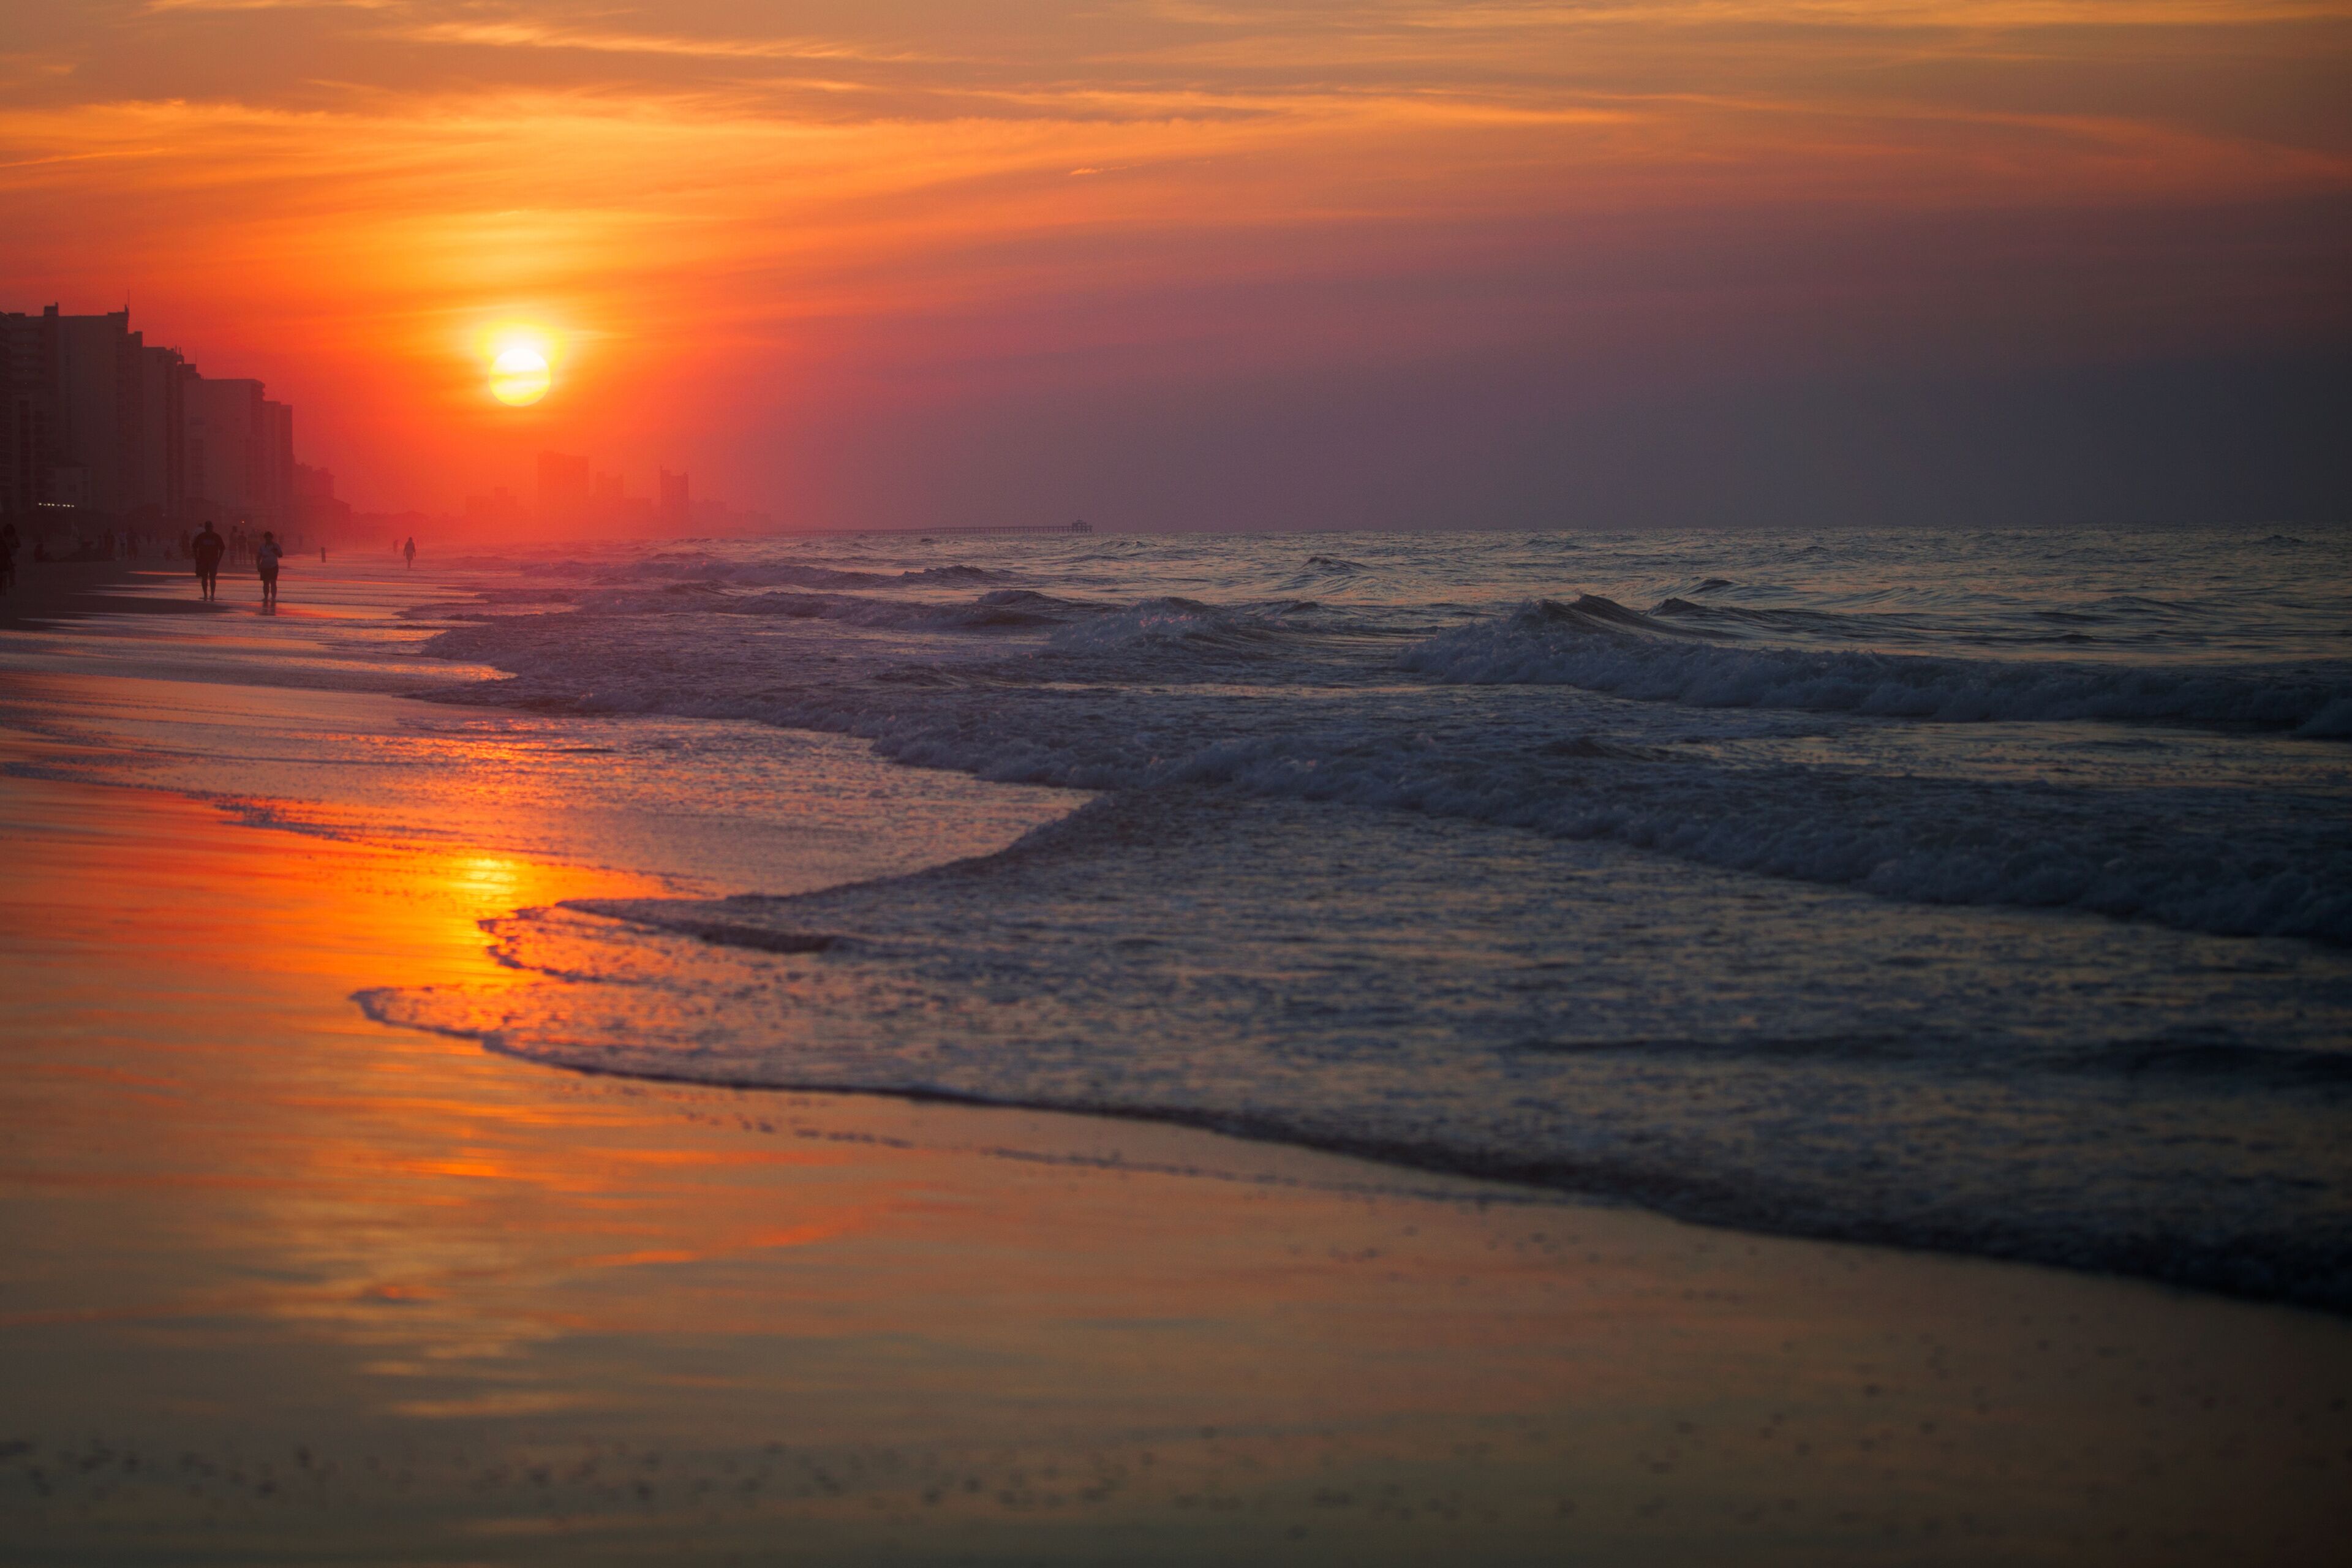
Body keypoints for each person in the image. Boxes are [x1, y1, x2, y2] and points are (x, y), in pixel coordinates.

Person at [190, 520, 225, 601]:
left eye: (210, 528)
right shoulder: (201, 536)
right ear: (205, 528)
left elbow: (222, 549)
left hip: (213, 561)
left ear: (212, 528)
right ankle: (206, 594)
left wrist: (219, 560)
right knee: (204, 578)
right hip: (203, 561)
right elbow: (194, 547)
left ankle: (212, 594)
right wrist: (197, 558)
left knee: (212, 578)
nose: (209, 529)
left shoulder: (217, 537)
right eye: (207, 528)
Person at [255, 529, 284, 608]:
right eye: (267, 538)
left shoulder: (276, 546)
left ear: (272, 538)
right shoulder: (262, 546)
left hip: (274, 566)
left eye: (269, 538)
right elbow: (259, 557)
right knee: (265, 583)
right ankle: (266, 597)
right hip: (264, 566)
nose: (268, 540)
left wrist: (276, 552)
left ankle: (274, 598)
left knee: (273, 582)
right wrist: (258, 565)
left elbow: (281, 555)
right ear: (265, 538)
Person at [0, 520, 18, 596]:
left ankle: (9, 584)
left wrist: (14, 545)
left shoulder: (13, 537)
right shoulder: (4, 540)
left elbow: (19, 544)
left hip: (9, 556)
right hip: (5, 558)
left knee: (7, 572)